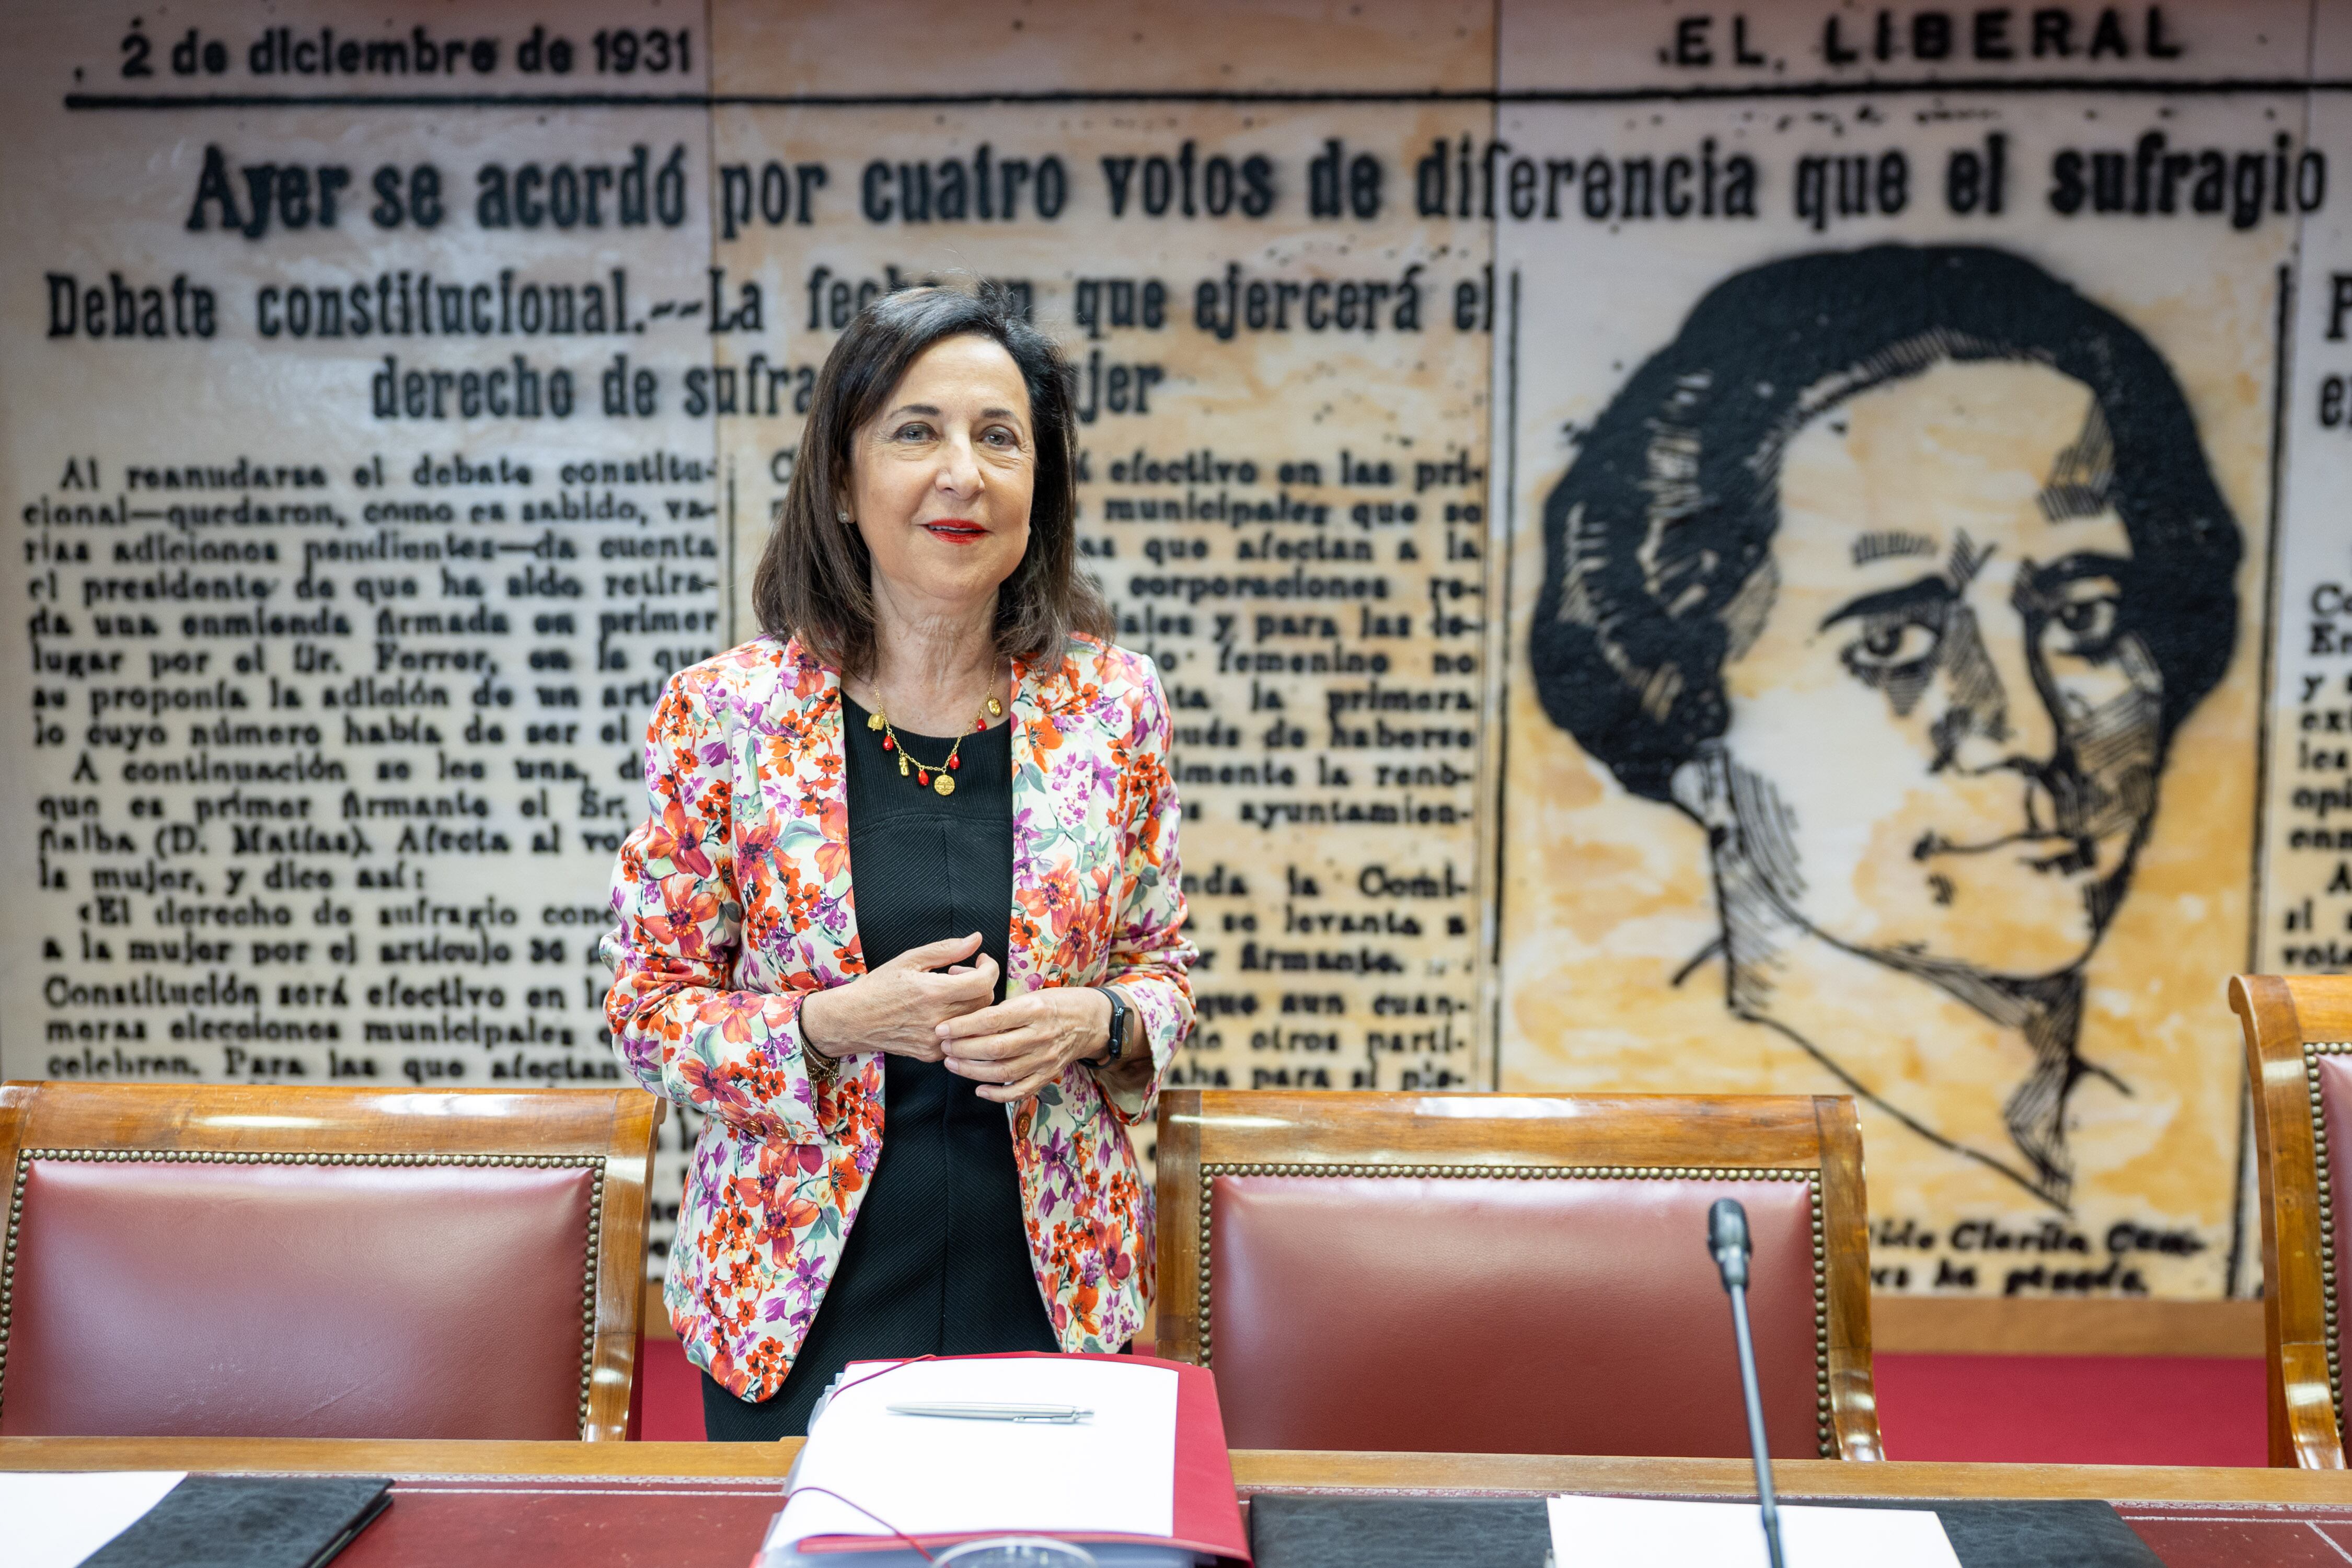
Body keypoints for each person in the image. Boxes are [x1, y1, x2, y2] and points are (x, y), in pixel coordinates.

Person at [1530, 244, 2241, 1209]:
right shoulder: (1647, 1147)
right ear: (1688, 723)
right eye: (1894, 642)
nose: (2026, 731)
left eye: (2083, 616)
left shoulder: (2161, 1146)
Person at [602, 282, 1195, 1438]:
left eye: (999, 438)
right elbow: (646, 1010)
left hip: (1048, 1292)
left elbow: (1162, 974)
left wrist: (1093, 1021)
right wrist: (831, 1025)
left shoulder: (1114, 707)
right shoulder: (724, 714)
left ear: (1041, 487)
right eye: (916, 432)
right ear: (841, 478)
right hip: (795, 1301)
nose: (961, 472)